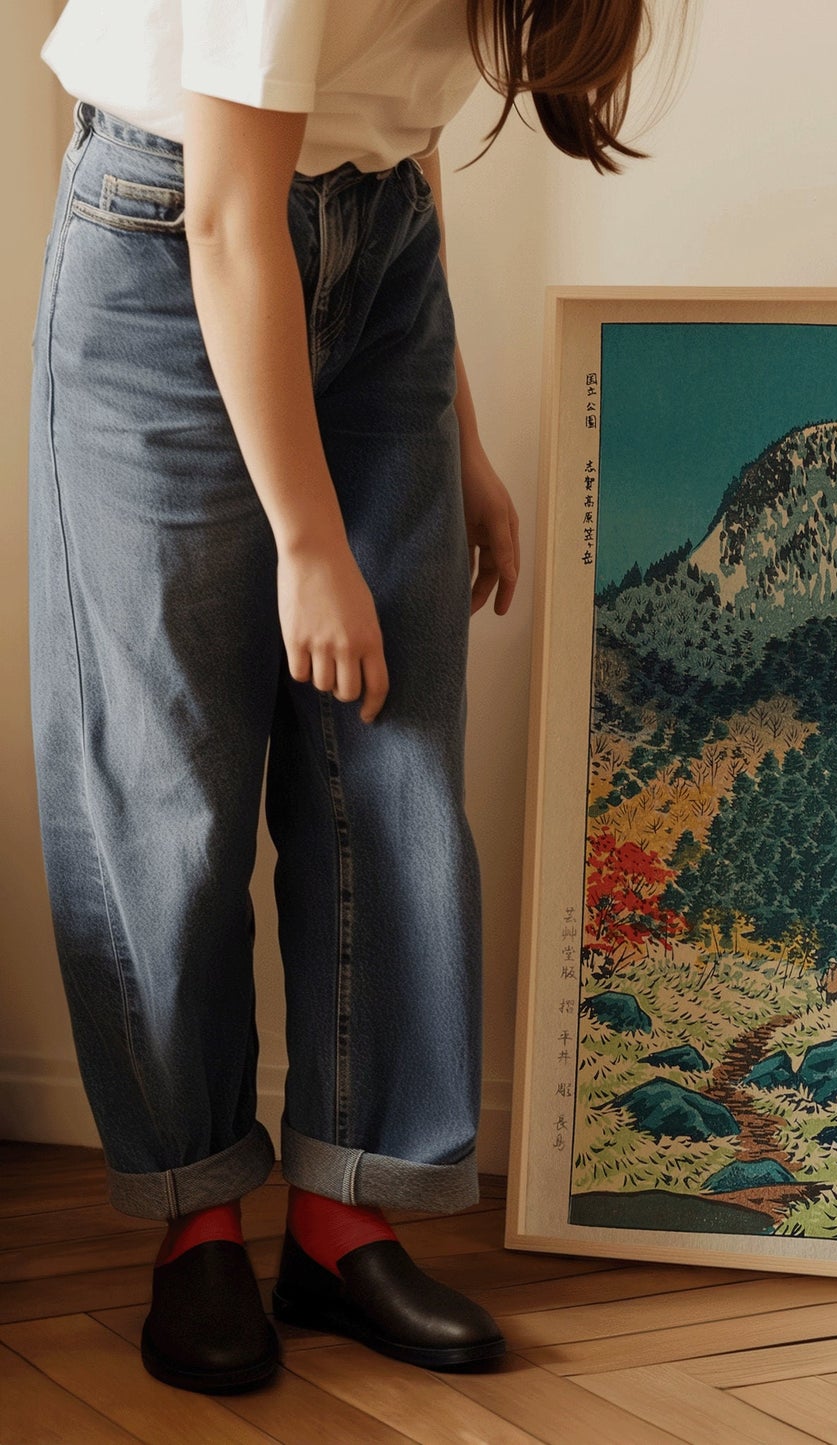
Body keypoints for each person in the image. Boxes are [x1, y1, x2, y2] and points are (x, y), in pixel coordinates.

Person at [29, 0, 687, 1395]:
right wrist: (309, 542)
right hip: (169, 248)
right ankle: (196, 1217)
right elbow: (225, 217)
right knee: (168, 784)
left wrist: (460, 437)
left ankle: (339, 1216)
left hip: (377, 257)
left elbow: (391, 138)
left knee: (388, 768)